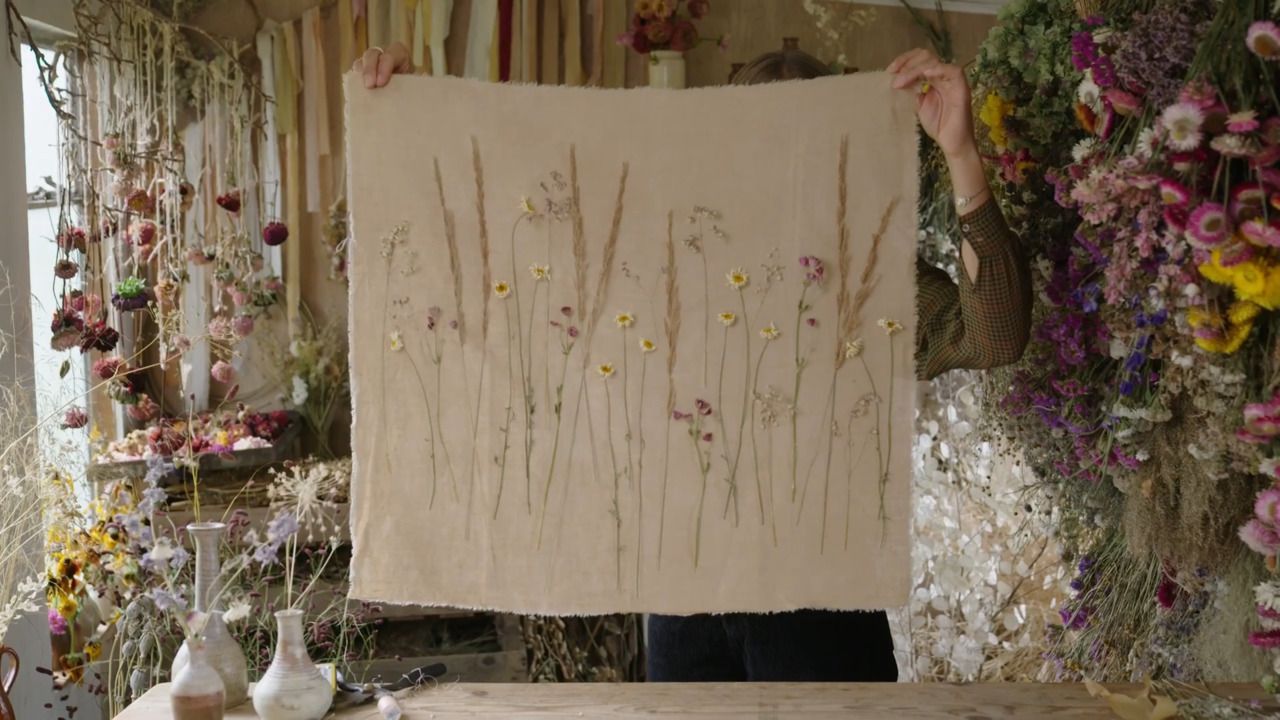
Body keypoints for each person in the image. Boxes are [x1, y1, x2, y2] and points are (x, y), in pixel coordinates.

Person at [354, 42, 1031, 682]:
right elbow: (506, 254)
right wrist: (414, 110)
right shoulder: (662, 258)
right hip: (685, 606)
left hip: (820, 608)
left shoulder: (862, 277)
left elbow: (993, 335)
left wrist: (961, 153)